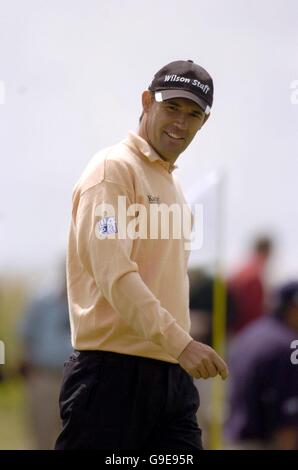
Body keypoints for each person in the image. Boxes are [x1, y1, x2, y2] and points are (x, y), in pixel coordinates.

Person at [55, 59, 229, 451]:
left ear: (205, 121)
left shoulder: (170, 183)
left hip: (170, 377)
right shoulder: (112, 170)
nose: (180, 123)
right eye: (172, 108)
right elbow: (113, 272)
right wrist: (181, 342)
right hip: (111, 378)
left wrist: (177, 348)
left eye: (193, 114)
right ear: (147, 101)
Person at [225, 281, 298, 449]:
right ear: (293, 308)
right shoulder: (288, 345)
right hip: (263, 443)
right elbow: (287, 426)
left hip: (234, 439)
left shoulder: (253, 332)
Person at [19, 275, 72, 450]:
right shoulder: (41, 302)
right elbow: (26, 337)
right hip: (44, 377)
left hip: (75, 380)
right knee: (42, 436)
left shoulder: (88, 304)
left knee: (72, 438)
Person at [227, 236, 273, 335]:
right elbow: (253, 312)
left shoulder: (242, 269)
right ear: (268, 251)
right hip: (246, 331)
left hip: (235, 330)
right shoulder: (254, 275)